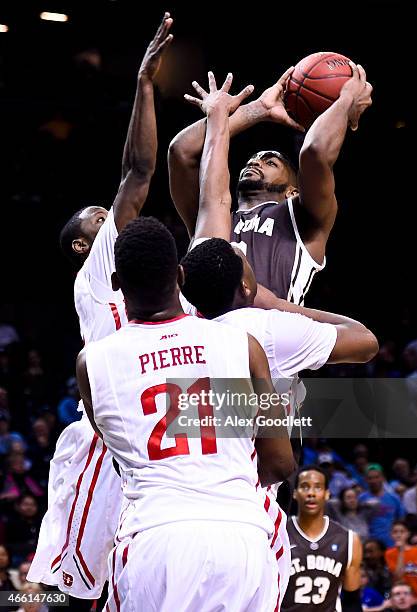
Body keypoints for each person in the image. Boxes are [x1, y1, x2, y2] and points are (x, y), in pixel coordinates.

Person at [27, 14, 174, 607]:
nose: (109, 215)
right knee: (58, 585)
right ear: (87, 246)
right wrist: (142, 85)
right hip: (106, 433)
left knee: (123, 583)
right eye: (99, 216)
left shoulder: (158, 289)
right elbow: (138, 172)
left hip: (153, 434)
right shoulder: (96, 270)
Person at [76, 215, 295, 611]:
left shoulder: (92, 363)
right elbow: (280, 463)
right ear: (179, 275)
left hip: (156, 538)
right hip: (241, 537)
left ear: (116, 284)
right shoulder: (241, 345)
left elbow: (119, 455)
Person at [170, 62, 372, 305]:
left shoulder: (301, 217)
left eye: (270, 162)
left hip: (271, 336)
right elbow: (181, 151)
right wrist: (258, 109)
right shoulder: (211, 215)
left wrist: (345, 99)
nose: (256, 162)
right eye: (254, 159)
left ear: (292, 191)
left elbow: (315, 151)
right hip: (210, 337)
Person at [281, 466, 363, 612]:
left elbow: (352, 601)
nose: (311, 493)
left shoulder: (348, 540)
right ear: (295, 493)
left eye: (318, 488)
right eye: (305, 487)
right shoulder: (280, 533)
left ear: (327, 494)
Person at [359, 464, 405, 547]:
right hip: (368, 543)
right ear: (365, 480)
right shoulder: (361, 499)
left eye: (376, 477)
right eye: (370, 478)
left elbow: (401, 519)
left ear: (382, 478)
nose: (373, 480)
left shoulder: (394, 498)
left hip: (391, 543)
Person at [385, 521, 417, 596]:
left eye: (402, 531)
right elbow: (398, 577)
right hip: (403, 596)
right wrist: (401, 551)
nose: (398, 535)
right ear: (391, 534)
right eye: (395, 532)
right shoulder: (389, 553)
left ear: (408, 534)